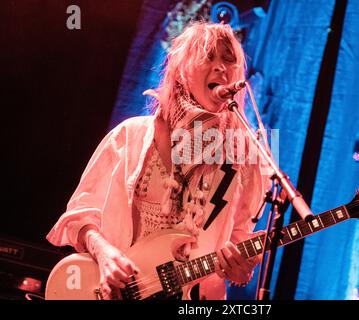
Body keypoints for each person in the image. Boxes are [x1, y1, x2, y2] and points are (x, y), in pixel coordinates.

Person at [46, 22, 270, 300]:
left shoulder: (240, 160)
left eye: (228, 60)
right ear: (182, 70)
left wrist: (239, 269)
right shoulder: (131, 135)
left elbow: (237, 240)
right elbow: (79, 216)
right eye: (207, 56)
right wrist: (104, 255)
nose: (220, 67)